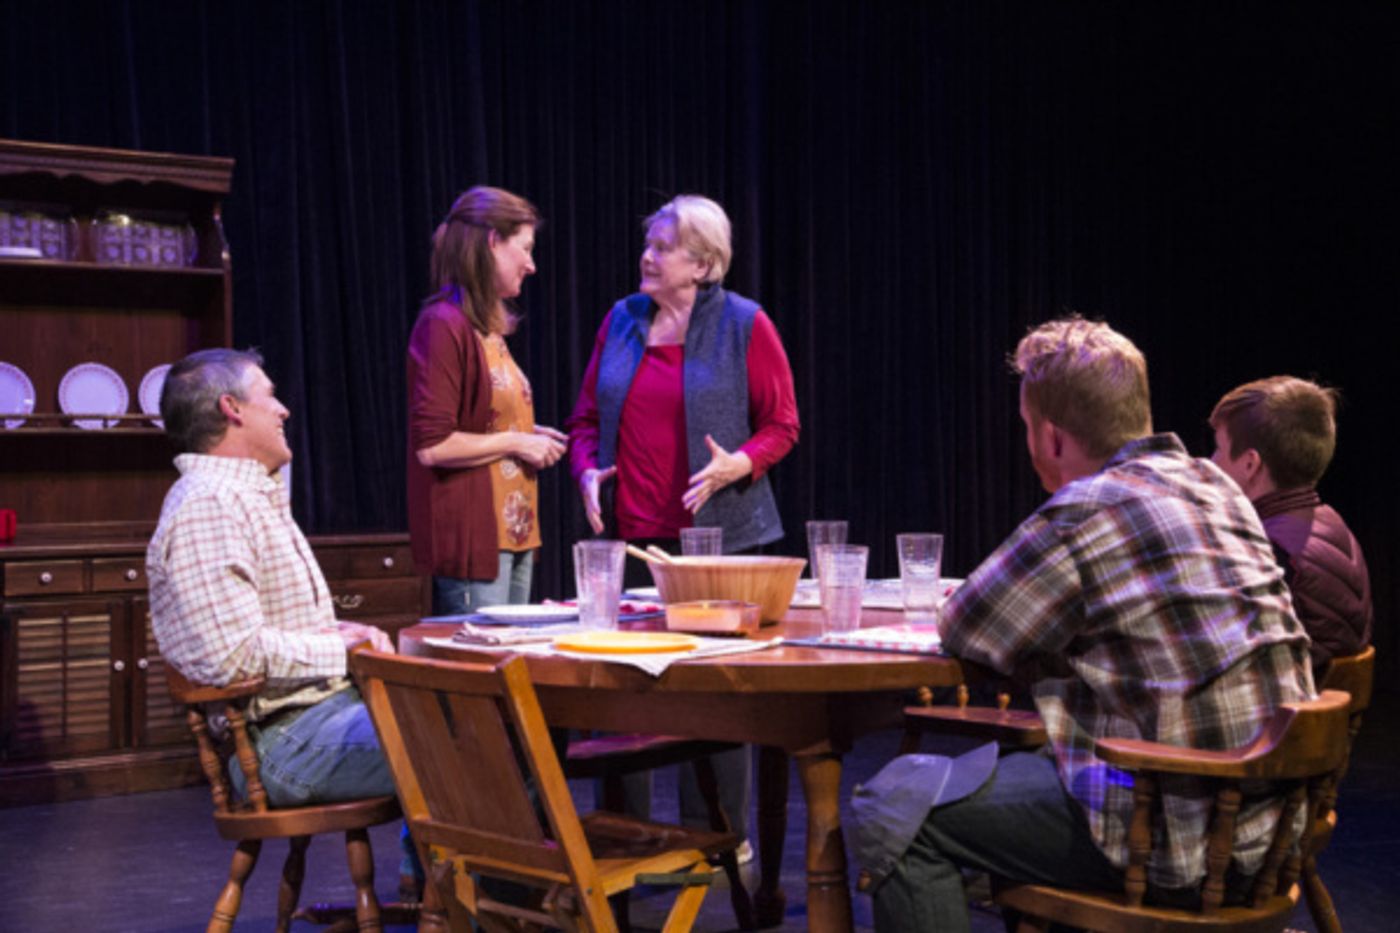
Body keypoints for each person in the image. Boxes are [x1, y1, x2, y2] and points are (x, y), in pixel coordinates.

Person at [862, 318, 1315, 933]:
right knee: (1004, 783)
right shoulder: (1215, 485)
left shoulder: (1087, 508)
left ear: (1051, 437)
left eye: (1026, 428)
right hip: (1275, 829)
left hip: (1177, 836)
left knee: (896, 809)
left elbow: (968, 623)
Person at [566, 194, 800, 854]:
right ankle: (626, 839)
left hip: (718, 548)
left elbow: (783, 424)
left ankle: (720, 839)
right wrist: (587, 469)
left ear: (703, 263)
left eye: (663, 246)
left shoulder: (745, 324)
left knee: (713, 702)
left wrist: (738, 465)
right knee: (619, 696)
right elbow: (585, 420)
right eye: (650, 242)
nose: (648, 254)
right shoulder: (622, 319)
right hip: (633, 542)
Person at [147, 348, 397, 808]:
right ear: (232, 408)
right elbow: (234, 658)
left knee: (485, 723)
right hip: (286, 743)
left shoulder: (245, 495)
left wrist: (344, 632)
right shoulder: (209, 506)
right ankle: (481, 880)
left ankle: (446, 877)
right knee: (475, 739)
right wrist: (339, 649)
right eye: (270, 396)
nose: (283, 410)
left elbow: (256, 630)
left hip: (321, 716)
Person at [407, 186, 568, 616]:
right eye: (526, 248)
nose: (532, 265)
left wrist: (527, 435)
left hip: (513, 534)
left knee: (512, 661)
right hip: (475, 538)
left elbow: (481, 423)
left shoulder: (488, 329)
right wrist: (516, 442)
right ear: (492, 241)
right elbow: (433, 446)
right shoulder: (444, 324)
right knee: (481, 668)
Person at [1209, 376, 1372, 674]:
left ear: (1249, 464)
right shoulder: (1333, 522)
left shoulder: (1267, 553)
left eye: (1218, 449)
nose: (1212, 461)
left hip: (1288, 716)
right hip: (1330, 713)